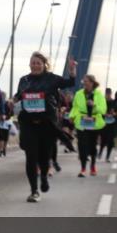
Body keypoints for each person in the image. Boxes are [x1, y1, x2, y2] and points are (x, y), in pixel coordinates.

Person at [13, 52, 77, 202]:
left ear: (44, 65)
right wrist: (13, 100)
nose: (35, 65)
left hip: (47, 123)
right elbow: (19, 95)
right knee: (31, 157)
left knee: (44, 156)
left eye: (38, 63)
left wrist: (72, 71)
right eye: (33, 63)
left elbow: (70, 83)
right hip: (29, 122)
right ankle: (34, 191)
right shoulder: (24, 80)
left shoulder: (52, 78)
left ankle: (43, 176)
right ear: (30, 64)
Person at [70, 74, 106, 177]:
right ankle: (83, 169)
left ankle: (93, 166)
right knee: (82, 146)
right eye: (84, 81)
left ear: (92, 83)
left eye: (87, 81)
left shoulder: (99, 95)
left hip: (94, 122)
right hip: (82, 122)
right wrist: (72, 116)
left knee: (92, 146)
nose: (85, 83)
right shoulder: (78, 94)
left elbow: (103, 109)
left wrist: (94, 105)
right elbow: (75, 107)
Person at [99, 87, 117, 162]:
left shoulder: (114, 102)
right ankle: (100, 153)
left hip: (112, 124)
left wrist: (113, 114)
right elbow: (99, 111)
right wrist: (105, 114)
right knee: (103, 139)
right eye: (107, 94)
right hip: (104, 123)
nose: (108, 95)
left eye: (109, 94)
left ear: (111, 94)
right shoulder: (102, 101)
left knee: (110, 141)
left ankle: (107, 157)